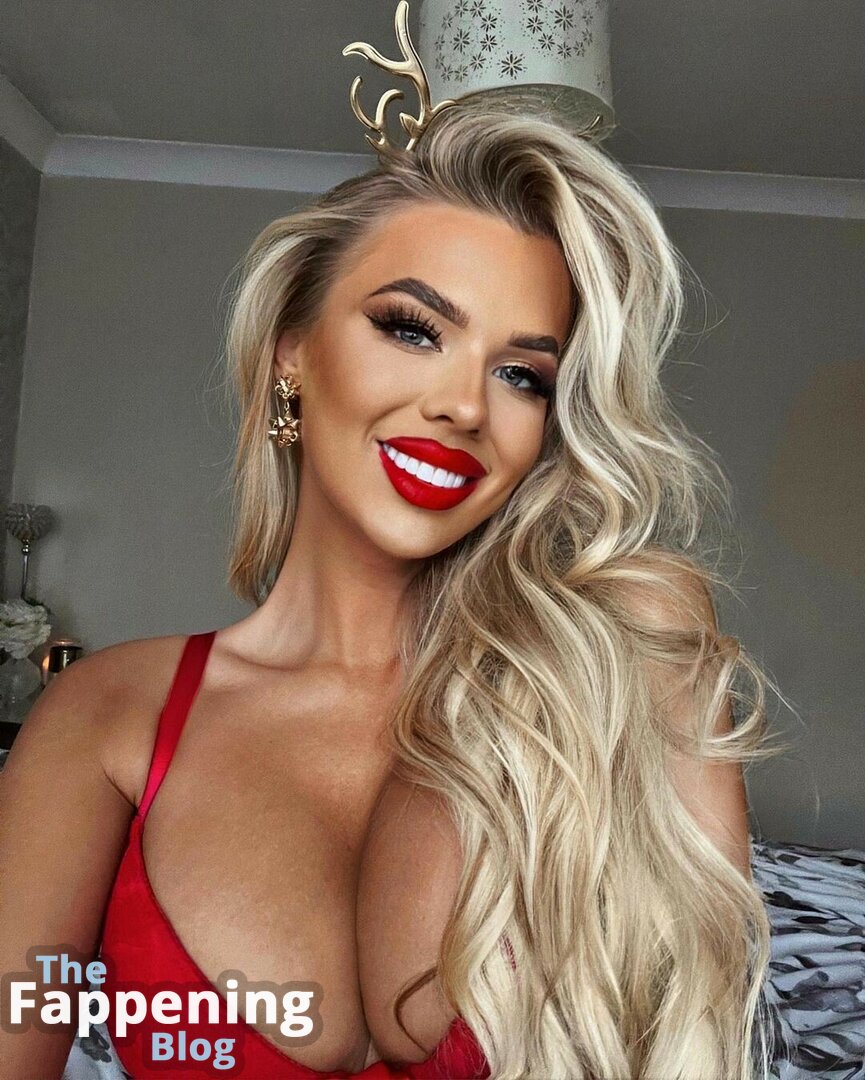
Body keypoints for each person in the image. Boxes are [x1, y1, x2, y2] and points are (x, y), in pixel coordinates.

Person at [0, 9, 785, 1079]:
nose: (464, 405)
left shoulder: (618, 662)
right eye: (412, 328)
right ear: (292, 352)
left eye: (522, 375)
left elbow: (707, 1039)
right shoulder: (107, 717)